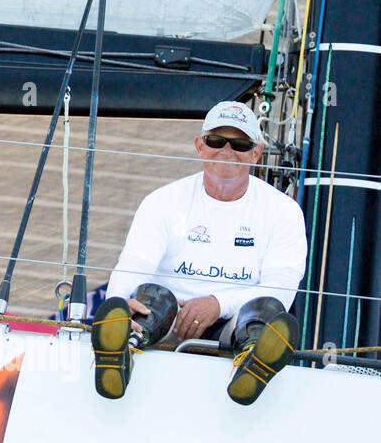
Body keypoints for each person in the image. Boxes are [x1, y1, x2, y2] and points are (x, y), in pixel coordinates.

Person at [92, 100, 307, 405]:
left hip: (233, 322)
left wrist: (216, 304)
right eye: (216, 141)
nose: (227, 150)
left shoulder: (284, 211)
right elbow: (134, 263)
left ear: (256, 153)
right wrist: (119, 301)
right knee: (151, 297)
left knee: (267, 313)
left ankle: (252, 364)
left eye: (240, 144)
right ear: (200, 146)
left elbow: (281, 288)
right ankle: (119, 350)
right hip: (167, 316)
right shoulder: (163, 200)